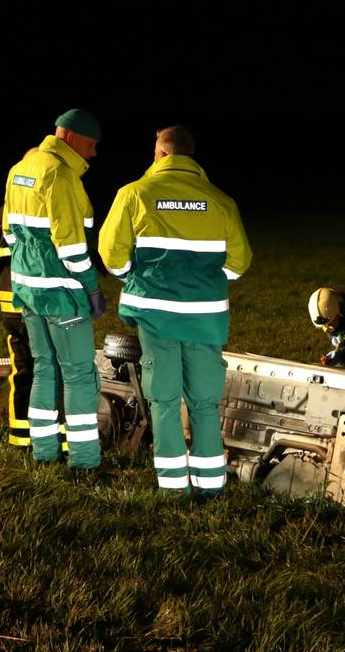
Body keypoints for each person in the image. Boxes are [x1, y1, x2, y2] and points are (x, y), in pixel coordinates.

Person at [98, 125, 252, 496]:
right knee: (203, 400)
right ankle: (211, 487)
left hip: (157, 317)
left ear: (161, 155)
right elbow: (239, 263)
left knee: (164, 400)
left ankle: (173, 489)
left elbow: (111, 255)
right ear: (190, 156)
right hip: (205, 318)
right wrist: (203, 283)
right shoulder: (220, 200)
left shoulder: (135, 194)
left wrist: (135, 276)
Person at [3, 109, 105, 469]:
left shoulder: (21, 168)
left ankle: (44, 454)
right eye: (91, 145)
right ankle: (85, 462)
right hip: (63, 292)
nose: (93, 154)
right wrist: (91, 287)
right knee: (79, 374)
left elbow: (9, 234)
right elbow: (72, 246)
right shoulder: (60, 175)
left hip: (28, 290)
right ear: (72, 138)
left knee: (45, 369)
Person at [0, 202, 32, 448]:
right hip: (43, 303)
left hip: (11, 304)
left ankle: (20, 438)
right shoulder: (43, 204)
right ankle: (56, 439)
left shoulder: (0, 213)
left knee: (23, 370)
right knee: (52, 370)